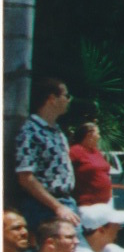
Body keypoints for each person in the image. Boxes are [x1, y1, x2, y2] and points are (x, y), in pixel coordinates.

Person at [14, 76, 78, 229]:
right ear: (52, 99)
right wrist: (57, 207)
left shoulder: (58, 132)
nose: (69, 100)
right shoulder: (30, 131)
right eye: (66, 96)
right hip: (43, 208)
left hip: (66, 204)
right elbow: (25, 178)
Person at [67, 122, 112, 209]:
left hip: (104, 203)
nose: (99, 137)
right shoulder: (75, 151)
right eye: (98, 133)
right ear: (89, 135)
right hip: (87, 204)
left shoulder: (96, 152)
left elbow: (105, 172)